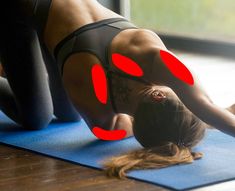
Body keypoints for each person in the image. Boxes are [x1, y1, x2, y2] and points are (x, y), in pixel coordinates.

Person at [1, 0, 235, 178]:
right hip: (16, 9)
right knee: (36, 118)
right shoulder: (101, 117)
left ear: (159, 94)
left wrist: (205, 119)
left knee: (67, 114)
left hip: (54, 23)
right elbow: (202, 104)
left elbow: (203, 103)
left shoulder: (153, 57)